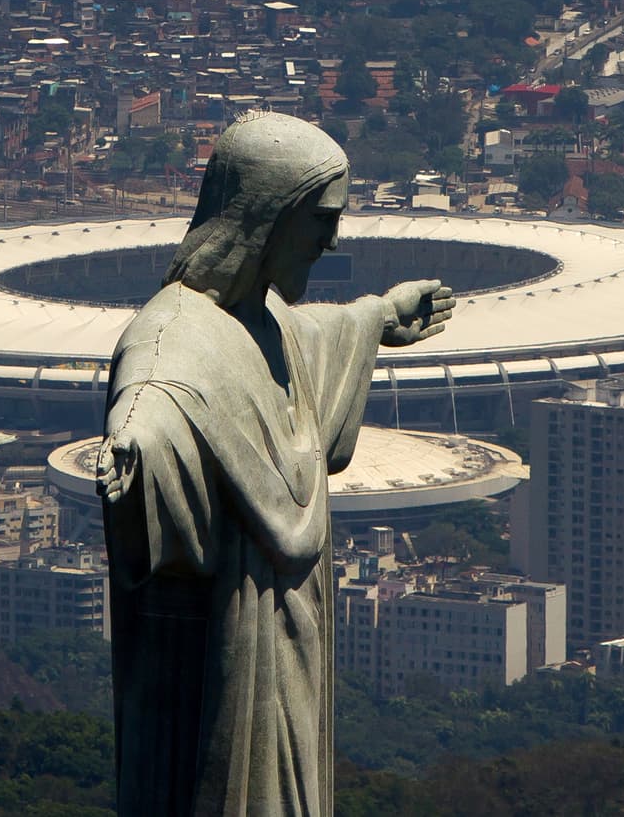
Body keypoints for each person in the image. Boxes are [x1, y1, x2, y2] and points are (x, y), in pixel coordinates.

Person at [97, 111, 454, 816]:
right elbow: (154, 399)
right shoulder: (175, 333)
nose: (332, 239)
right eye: (321, 218)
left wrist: (378, 316)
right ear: (266, 218)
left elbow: (305, 336)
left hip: (289, 649)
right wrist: (135, 456)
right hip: (231, 654)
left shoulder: (261, 318)